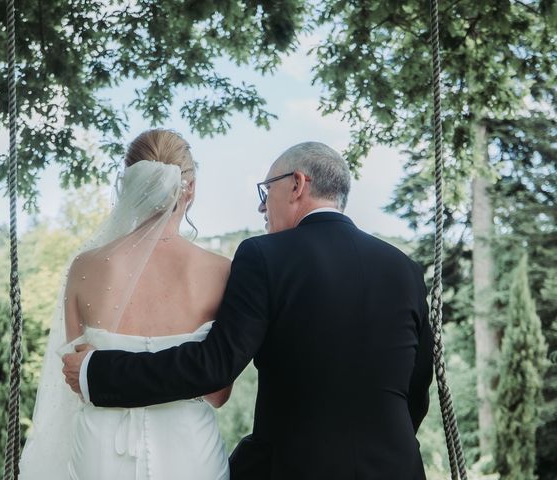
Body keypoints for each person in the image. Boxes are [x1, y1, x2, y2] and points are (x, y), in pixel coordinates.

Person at [64, 141, 434, 479]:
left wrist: (99, 371)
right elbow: (417, 388)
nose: (261, 205)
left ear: (297, 184)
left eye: (266, 190)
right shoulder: (405, 269)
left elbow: (215, 366)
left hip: (295, 467)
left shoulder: (265, 256)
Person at [20, 129, 232, 480]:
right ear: (189, 188)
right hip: (190, 451)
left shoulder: (86, 267)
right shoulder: (221, 271)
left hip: (101, 450)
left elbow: (76, 376)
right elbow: (218, 393)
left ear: (129, 185)